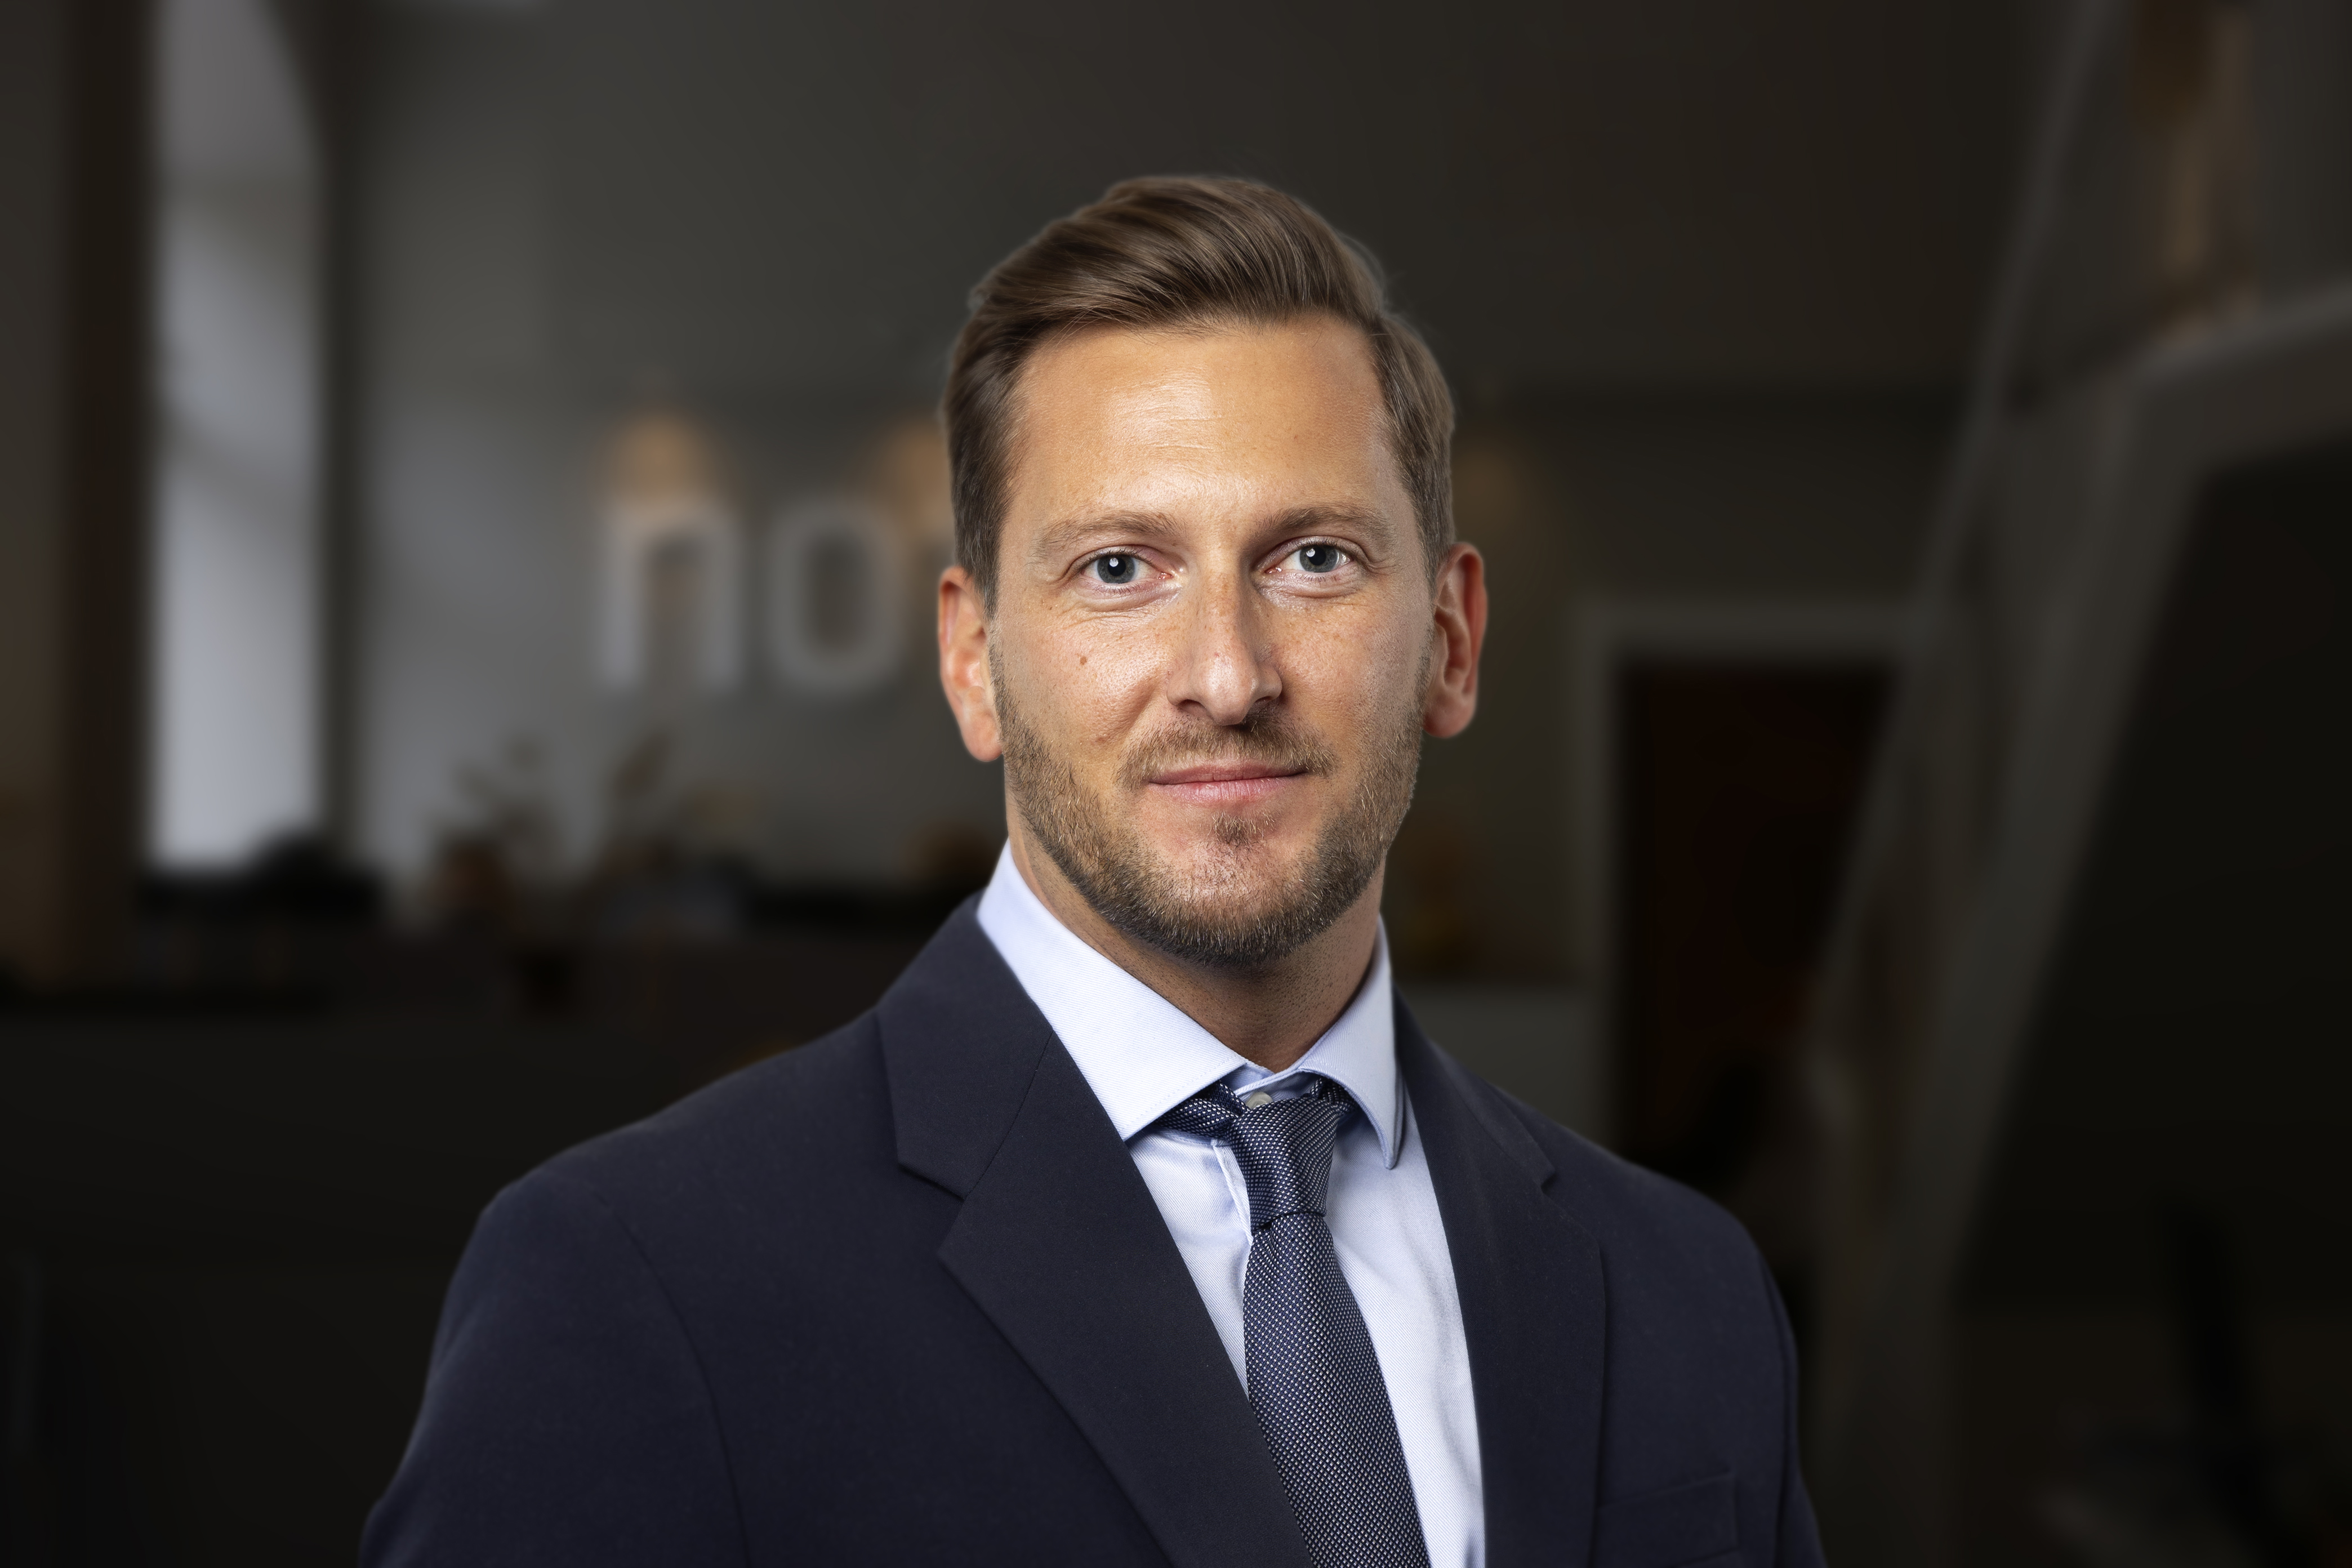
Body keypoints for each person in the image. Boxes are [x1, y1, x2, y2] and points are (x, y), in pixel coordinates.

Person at [363, 176, 1823, 1568]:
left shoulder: (1687, 1292)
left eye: (1314, 559)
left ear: (1450, 641)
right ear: (972, 659)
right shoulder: (637, 1281)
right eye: (1120, 569)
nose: (1227, 676)